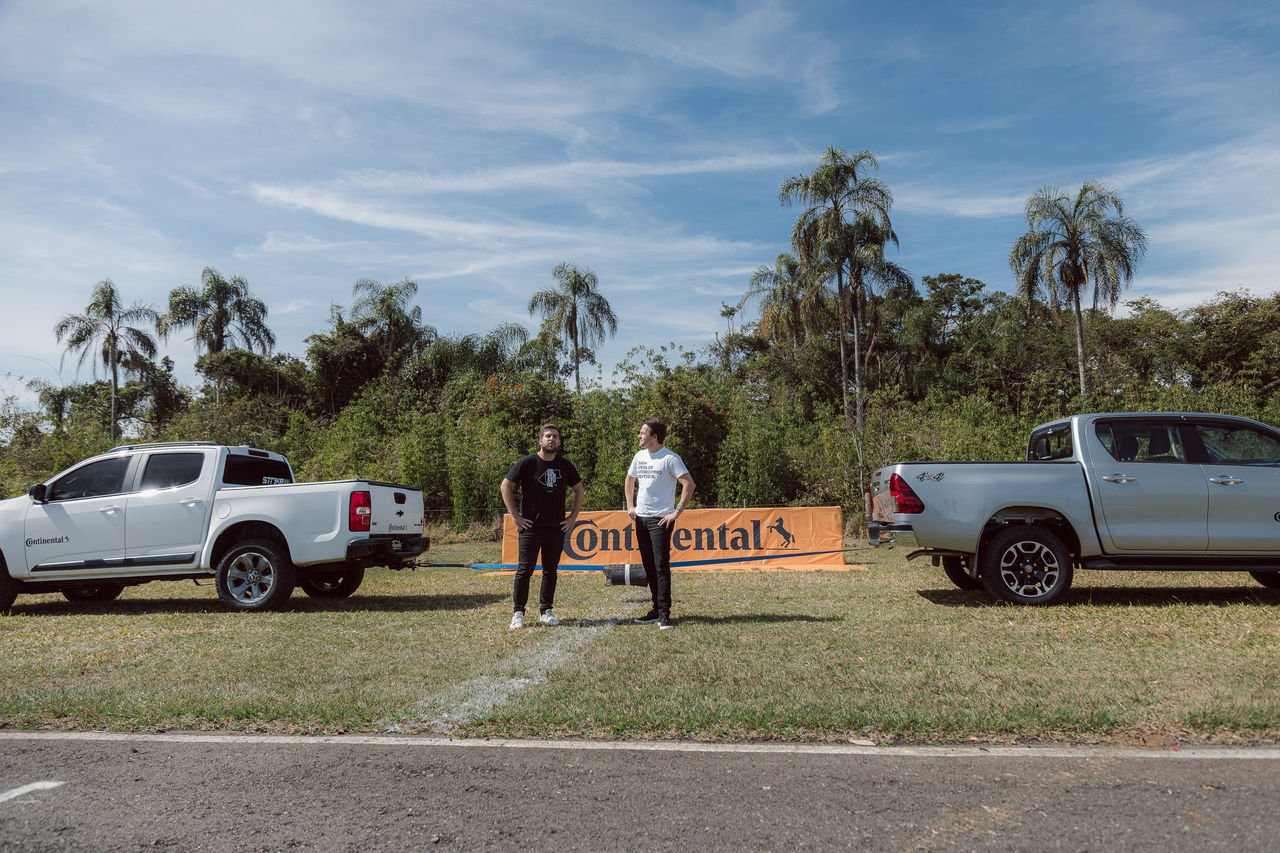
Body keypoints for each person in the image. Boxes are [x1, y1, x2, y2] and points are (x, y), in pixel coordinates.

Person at [501, 423, 584, 629]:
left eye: (555, 436)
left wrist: (573, 517)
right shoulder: (527, 463)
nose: (551, 439)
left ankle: (546, 611)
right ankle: (518, 612)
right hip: (530, 527)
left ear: (559, 441)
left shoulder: (565, 465)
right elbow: (506, 486)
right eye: (547, 436)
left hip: (556, 527)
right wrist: (516, 516)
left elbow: (579, 490)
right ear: (540, 440)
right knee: (525, 569)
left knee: (550, 571)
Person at [625, 418, 695, 630]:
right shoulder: (639, 456)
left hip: (660, 520)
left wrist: (676, 512)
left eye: (643, 432)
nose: (639, 435)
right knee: (649, 567)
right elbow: (629, 480)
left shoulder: (670, 458)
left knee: (661, 567)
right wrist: (630, 506)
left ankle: (665, 615)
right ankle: (655, 610)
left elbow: (689, 484)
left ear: (654, 436)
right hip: (641, 518)